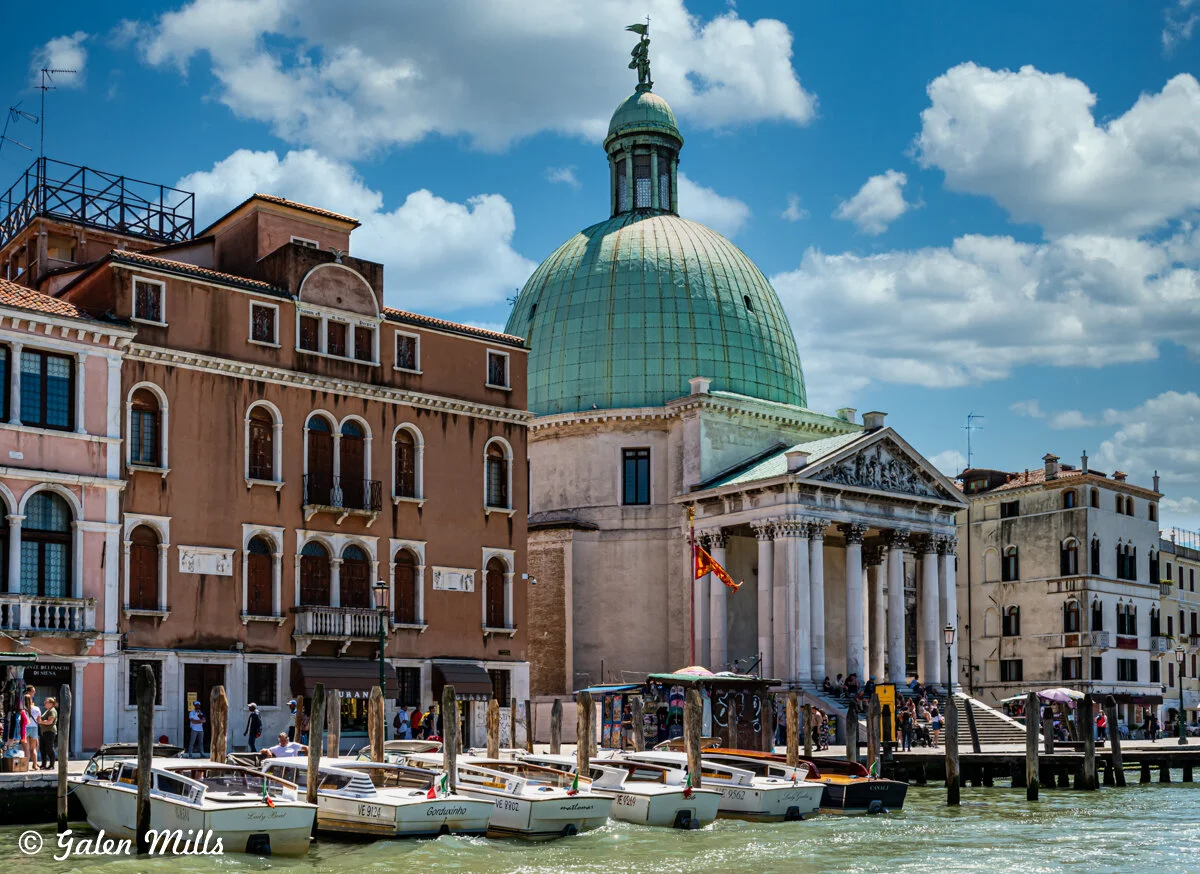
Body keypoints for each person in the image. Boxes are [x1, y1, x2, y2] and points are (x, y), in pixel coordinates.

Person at [39, 697, 58, 770]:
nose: (44, 703)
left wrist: (41, 722)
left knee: (49, 748)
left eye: (46, 702)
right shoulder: (47, 710)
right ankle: (43, 764)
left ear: (51, 703)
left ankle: (51, 765)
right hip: (44, 732)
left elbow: (50, 721)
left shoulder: (52, 711)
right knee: (42, 748)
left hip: (50, 732)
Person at [24, 694, 40, 766]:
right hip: (34, 728)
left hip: (25, 728)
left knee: (26, 749)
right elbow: (39, 721)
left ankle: (26, 766)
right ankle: (35, 765)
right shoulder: (36, 708)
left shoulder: (22, 709)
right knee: (33, 748)